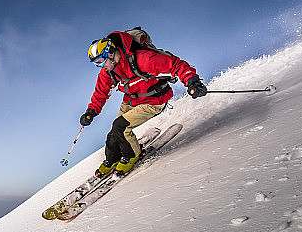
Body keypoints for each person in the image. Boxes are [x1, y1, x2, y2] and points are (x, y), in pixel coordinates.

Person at [80, 30, 207, 176]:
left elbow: (176, 65)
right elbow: (101, 92)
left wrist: (192, 81)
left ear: (110, 54)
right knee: (114, 133)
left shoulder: (143, 59)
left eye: (101, 62)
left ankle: (133, 155)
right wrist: (91, 111)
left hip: (154, 100)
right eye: (97, 64)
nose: (101, 66)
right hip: (132, 100)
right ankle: (112, 159)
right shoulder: (109, 71)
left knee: (120, 126)